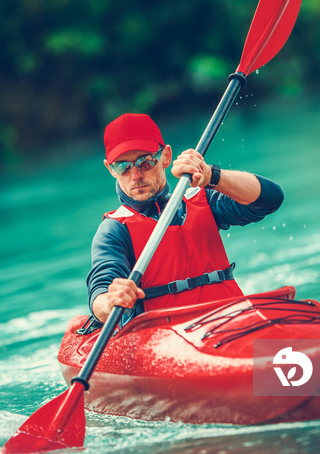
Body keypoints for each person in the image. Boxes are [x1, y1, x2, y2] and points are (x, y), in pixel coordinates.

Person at [86, 113, 284, 326]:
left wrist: (211, 176)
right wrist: (110, 302)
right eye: (122, 166)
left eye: (145, 162)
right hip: (168, 339)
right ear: (110, 169)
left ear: (166, 157)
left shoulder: (203, 200)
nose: (135, 175)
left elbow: (270, 199)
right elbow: (100, 295)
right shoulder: (114, 230)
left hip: (232, 321)